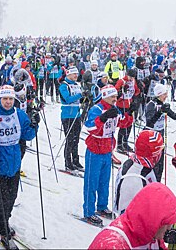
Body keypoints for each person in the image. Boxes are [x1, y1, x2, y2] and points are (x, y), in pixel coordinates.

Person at [0, 85, 38, 248]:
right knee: (3, 200)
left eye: (11, 99)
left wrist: (34, 124)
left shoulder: (19, 114)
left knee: (12, 197)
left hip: (15, 164)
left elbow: (28, 135)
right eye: (5, 99)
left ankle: (5, 221)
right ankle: (3, 230)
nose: (8, 102)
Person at [89, 182, 176, 250]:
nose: (169, 227)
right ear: (153, 219)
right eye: (166, 222)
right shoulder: (112, 244)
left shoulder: (149, 235)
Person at [83, 85, 129, 226]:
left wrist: (129, 114)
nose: (115, 99)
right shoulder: (96, 109)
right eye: (112, 97)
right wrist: (102, 118)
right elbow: (90, 128)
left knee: (104, 181)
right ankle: (89, 212)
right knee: (92, 182)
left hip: (107, 150)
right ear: (105, 96)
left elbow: (122, 123)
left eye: (116, 96)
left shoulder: (113, 109)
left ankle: (102, 206)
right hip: (95, 150)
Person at [145, 84, 176, 181]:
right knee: (154, 165)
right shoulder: (151, 105)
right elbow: (149, 123)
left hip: (161, 136)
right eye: (164, 94)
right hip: (151, 137)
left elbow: (174, 116)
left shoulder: (163, 105)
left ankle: (158, 183)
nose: (166, 96)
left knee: (160, 165)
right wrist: (160, 112)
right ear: (159, 94)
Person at [113, 129, 163, 216]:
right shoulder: (134, 177)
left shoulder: (142, 166)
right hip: (132, 226)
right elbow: (126, 216)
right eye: (160, 150)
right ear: (155, 154)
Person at [59, 66, 87, 171]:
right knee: (69, 140)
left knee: (76, 140)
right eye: (74, 74)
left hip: (76, 115)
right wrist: (80, 95)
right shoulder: (63, 86)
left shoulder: (77, 85)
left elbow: (80, 99)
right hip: (67, 116)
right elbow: (67, 99)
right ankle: (68, 162)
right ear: (68, 74)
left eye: (77, 74)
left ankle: (76, 160)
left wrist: (85, 97)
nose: (76, 76)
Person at [114, 68, 141, 153]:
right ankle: (119, 145)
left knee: (129, 124)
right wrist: (121, 91)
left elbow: (136, 91)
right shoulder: (121, 81)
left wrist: (137, 97)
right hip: (121, 105)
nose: (131, 78)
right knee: (123, 125)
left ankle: (125, 142)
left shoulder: (133, 81)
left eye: (132, 77)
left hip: (130, 105)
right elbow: (115, 92)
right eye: (130, 76)